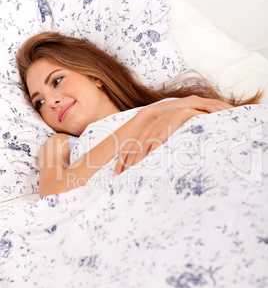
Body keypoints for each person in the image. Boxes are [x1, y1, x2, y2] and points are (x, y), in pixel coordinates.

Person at [16, 32, 262, 197]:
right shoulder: (60, 144)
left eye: (57, 81)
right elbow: (52, 197)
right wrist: (149, 117)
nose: (52, 102)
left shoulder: (179, 104)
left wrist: (180, 115)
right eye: (39, 102)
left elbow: (239, 125)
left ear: (94, 76)